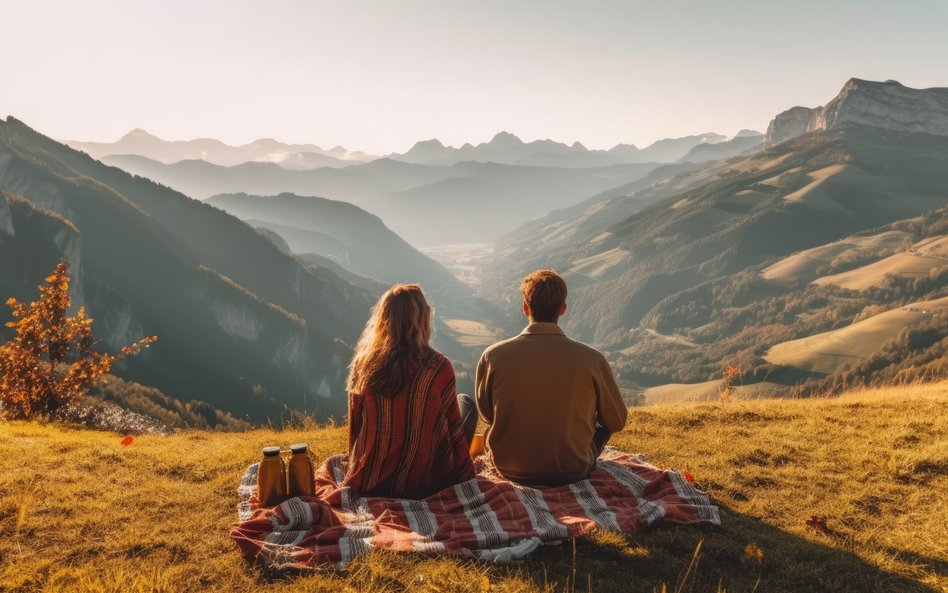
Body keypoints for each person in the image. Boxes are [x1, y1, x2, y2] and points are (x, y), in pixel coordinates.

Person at [475, 269, 627, 486]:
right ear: (563, 309)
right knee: (603, 428)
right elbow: (616, 421)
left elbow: (487, 415)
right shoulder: (592, 359)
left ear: (525, 307)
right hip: (572, 470)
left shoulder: (492, 356)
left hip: (508, 467)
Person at [343, 284, 477, 499]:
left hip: (370, 481)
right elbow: (454, 431)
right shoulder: (438, 367)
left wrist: (354, 471)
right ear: (423, 319)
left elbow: (356, 427)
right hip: (422, 484)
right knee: (464, 406)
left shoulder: (364, 363)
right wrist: (468, 479)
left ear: (384, 319)